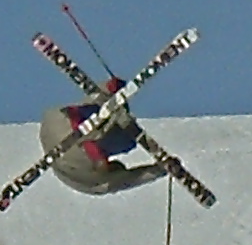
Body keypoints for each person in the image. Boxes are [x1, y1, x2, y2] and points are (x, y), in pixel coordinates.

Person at [38, 80, 167, 195]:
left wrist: (158, 170)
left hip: (68, 131)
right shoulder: (91, 182)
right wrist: (110, 87)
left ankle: (117, 123)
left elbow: (133, 178)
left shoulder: (96, 182)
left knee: (126, 142)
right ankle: (115, 118)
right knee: (103, 119)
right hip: (55, 121)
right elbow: (94, 100)